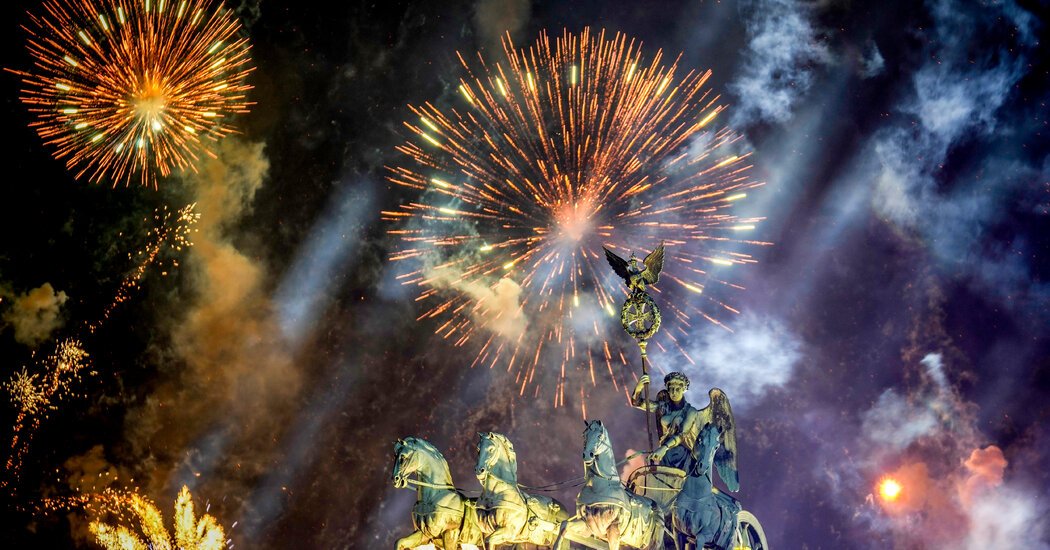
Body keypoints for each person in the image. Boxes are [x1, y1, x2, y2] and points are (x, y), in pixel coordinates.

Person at [631, 371, 698, 471]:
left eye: (677, 389)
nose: (674, 392)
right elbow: (637, 403)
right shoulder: (662, 407)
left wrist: (664, 448)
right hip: (665, 455)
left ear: (684, 389)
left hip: (683, 456)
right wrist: (639, 387)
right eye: (671, 389)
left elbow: (682, 434)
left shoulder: (690, 411)